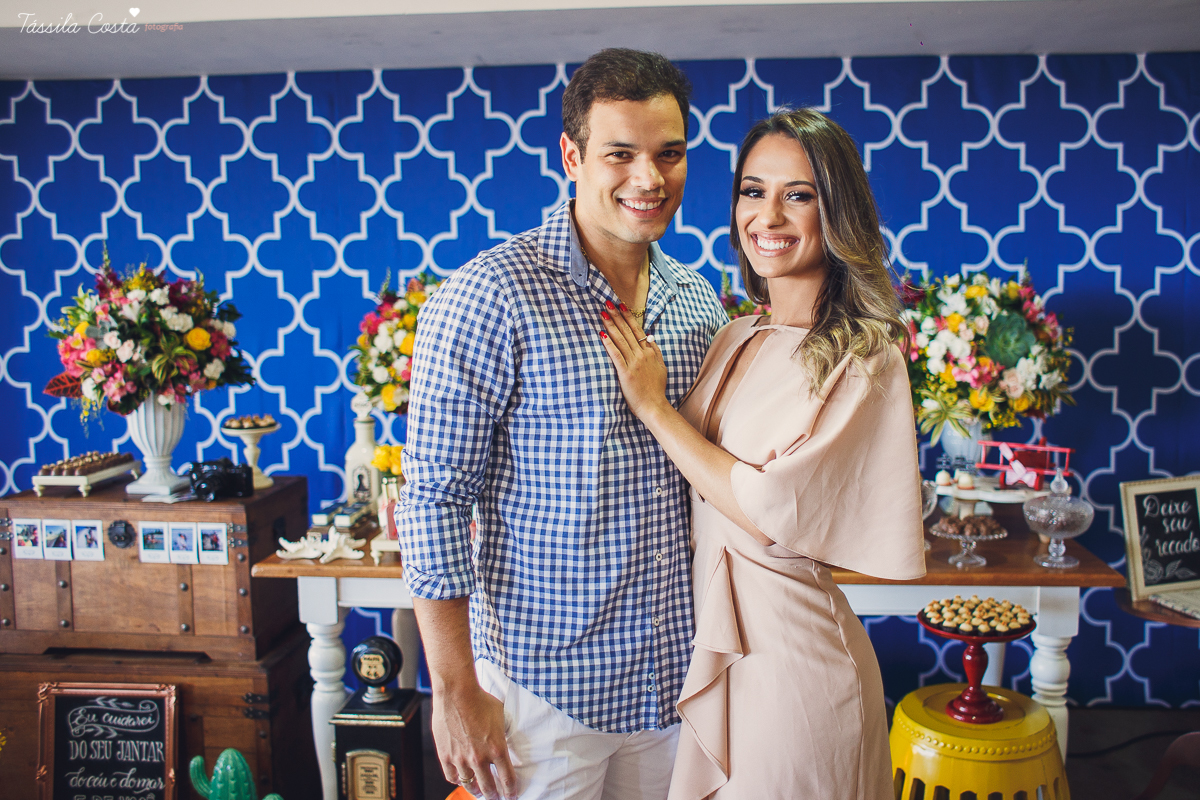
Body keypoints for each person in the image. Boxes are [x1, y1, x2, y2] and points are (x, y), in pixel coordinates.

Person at [395, 48, 728, 800]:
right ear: (572, 156)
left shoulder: (699, 303)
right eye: (622, 154)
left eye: (669, 154)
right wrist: (453, 689)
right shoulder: (491, 294)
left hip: (674, 683)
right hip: (542, 694)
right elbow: (433, 500)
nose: (650, 179)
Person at [598, 107, 927, 799]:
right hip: (713, 646)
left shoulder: (865, 356)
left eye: (798, 195)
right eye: (753, 191)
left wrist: (654, 407)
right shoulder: (736, 333)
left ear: (837, 210)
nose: (768, 217)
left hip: (795, 664)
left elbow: (773, 507)